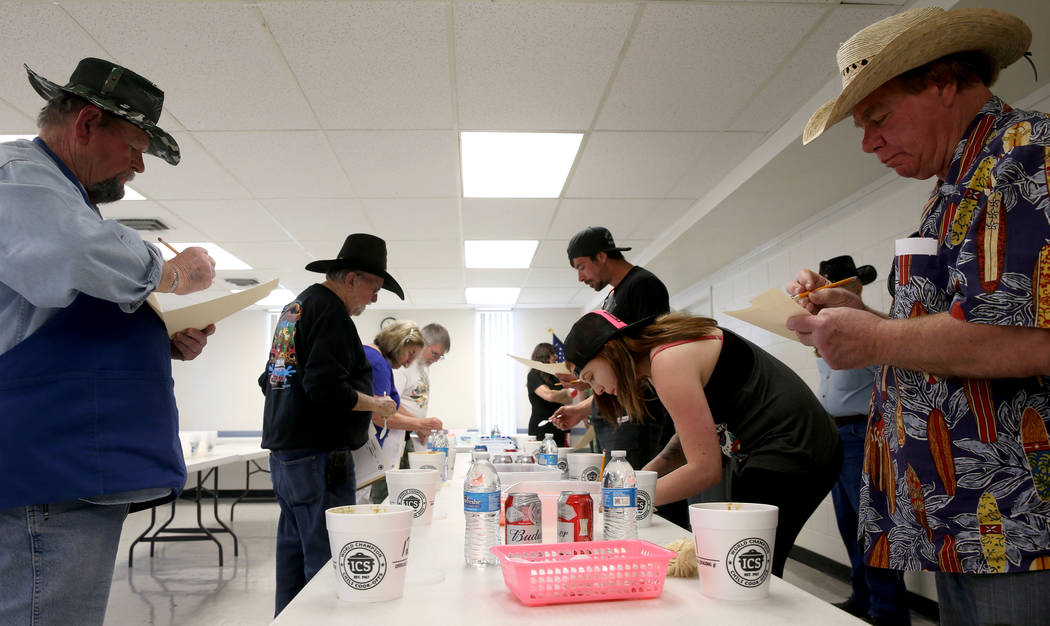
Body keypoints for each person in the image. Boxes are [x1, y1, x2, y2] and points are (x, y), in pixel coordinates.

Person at [789, 7, 1050, 625]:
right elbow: (964, 327)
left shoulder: (1023, 155)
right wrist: (862, 315)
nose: (868, 141)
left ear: (942, 83)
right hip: (964, 519)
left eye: (878, 116)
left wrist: (875, 338)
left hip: (1017, 520)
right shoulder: (955, 185)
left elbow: (1031, 338)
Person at [0, 58, 217, 626]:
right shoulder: (17, 174)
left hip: (66, 469)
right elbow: (74, 252)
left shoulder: (60, 197)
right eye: (136, 146)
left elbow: (43, 310)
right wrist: (175, 273)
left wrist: (152, 337)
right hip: (44, 472)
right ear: (88, 123)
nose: (139, 167)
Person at [563, 310, 841, 577]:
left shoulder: (667, 361)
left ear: (609, 351)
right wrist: (633, 482)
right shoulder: (663, 353)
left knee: (745, 566)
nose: (596, 390)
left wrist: (623, 501)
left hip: (795, 448)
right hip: (785, 446)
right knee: (745, 561)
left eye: (590, 377)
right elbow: (684, 443)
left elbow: (705, 469)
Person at [259, 233, 401, 616]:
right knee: (326, 560)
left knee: (293, 553)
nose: (374, 298)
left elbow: (270, 379)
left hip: (286, 455)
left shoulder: (296, 308)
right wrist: (378, 404)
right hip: (319, 457)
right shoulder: (331, 314)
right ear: (352, 278)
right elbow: (325, 388)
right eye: (374, 287)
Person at [804, 256, 910, 626]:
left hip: (862, 433)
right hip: (835, 435)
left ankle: (888, 612)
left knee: (872, 526)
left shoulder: (866, 331)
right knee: (849, 524)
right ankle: (862, 598)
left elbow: (887, 375)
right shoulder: (827, 335)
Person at [553, 226, 671, 471]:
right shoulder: (611, 298)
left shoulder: (643, 285)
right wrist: (584, 387)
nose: (580, 278)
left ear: (602, 256)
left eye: (582, 267)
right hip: (616, 418)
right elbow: (616, 374)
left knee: (637, 495)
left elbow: (640, 367)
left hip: (640, 418)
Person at [370, 323, 449, 503]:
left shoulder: (422, 368)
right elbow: (389, 407)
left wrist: (419, 425)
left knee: (405, 492)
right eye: (434, 354)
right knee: (386, 495)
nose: (436, 359)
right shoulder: (397, 366)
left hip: (404, 436)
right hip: (388, 435)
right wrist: (420, 424)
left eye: (440, 357)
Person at [362, 320, 423, 497]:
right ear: (398, 342)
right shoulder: (378, 364)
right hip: (363, 450)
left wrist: (418, 423)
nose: (409, 361)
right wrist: (420, 425)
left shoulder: (369, 354)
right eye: (410, 353)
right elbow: (380, 414)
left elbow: (391, 406)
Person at [526, 342, 574, 446]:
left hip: (559, 427)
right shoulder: (533, 375)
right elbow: (549, 396)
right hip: (541, 427)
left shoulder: (555, 377)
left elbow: (569, 399)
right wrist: (563, 393)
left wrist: (560, 394)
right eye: (553, 354)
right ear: (544, 356)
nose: (556, 357)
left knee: (561, 460)